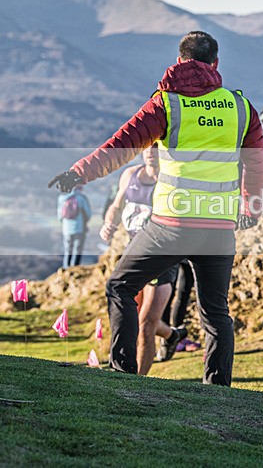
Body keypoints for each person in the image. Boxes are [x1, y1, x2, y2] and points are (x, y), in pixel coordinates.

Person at [48, 31, 263, 386]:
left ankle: (123, 373)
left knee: (120, 286)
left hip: (173, 224)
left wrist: (78, 174)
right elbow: (258, 164)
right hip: (219, 225)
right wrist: (252, 208)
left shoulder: (167, 103)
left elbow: (122, 145)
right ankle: (219, 390)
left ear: (181, 61)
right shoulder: (241, 107)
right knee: (215, 312)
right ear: (215, 64)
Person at [99, 145, 186, 375]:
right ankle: (171, 334)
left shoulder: (172, 181)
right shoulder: (130, 175)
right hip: (134, 252)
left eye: (157, 148)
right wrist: (110, 224)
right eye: (148, 147)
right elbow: (116, 207)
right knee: (131, 318)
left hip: (163, 256)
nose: (151, 151)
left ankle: (138, 382)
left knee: (146, 325)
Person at [57, 185, 91, 269]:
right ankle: (74, 268)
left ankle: (66, 268)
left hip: (66, 229)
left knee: (68, 249)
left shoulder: (62, 198)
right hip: (79, 228)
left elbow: (60, 216)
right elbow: (88, 213)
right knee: (77, 250)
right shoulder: (81, 198)